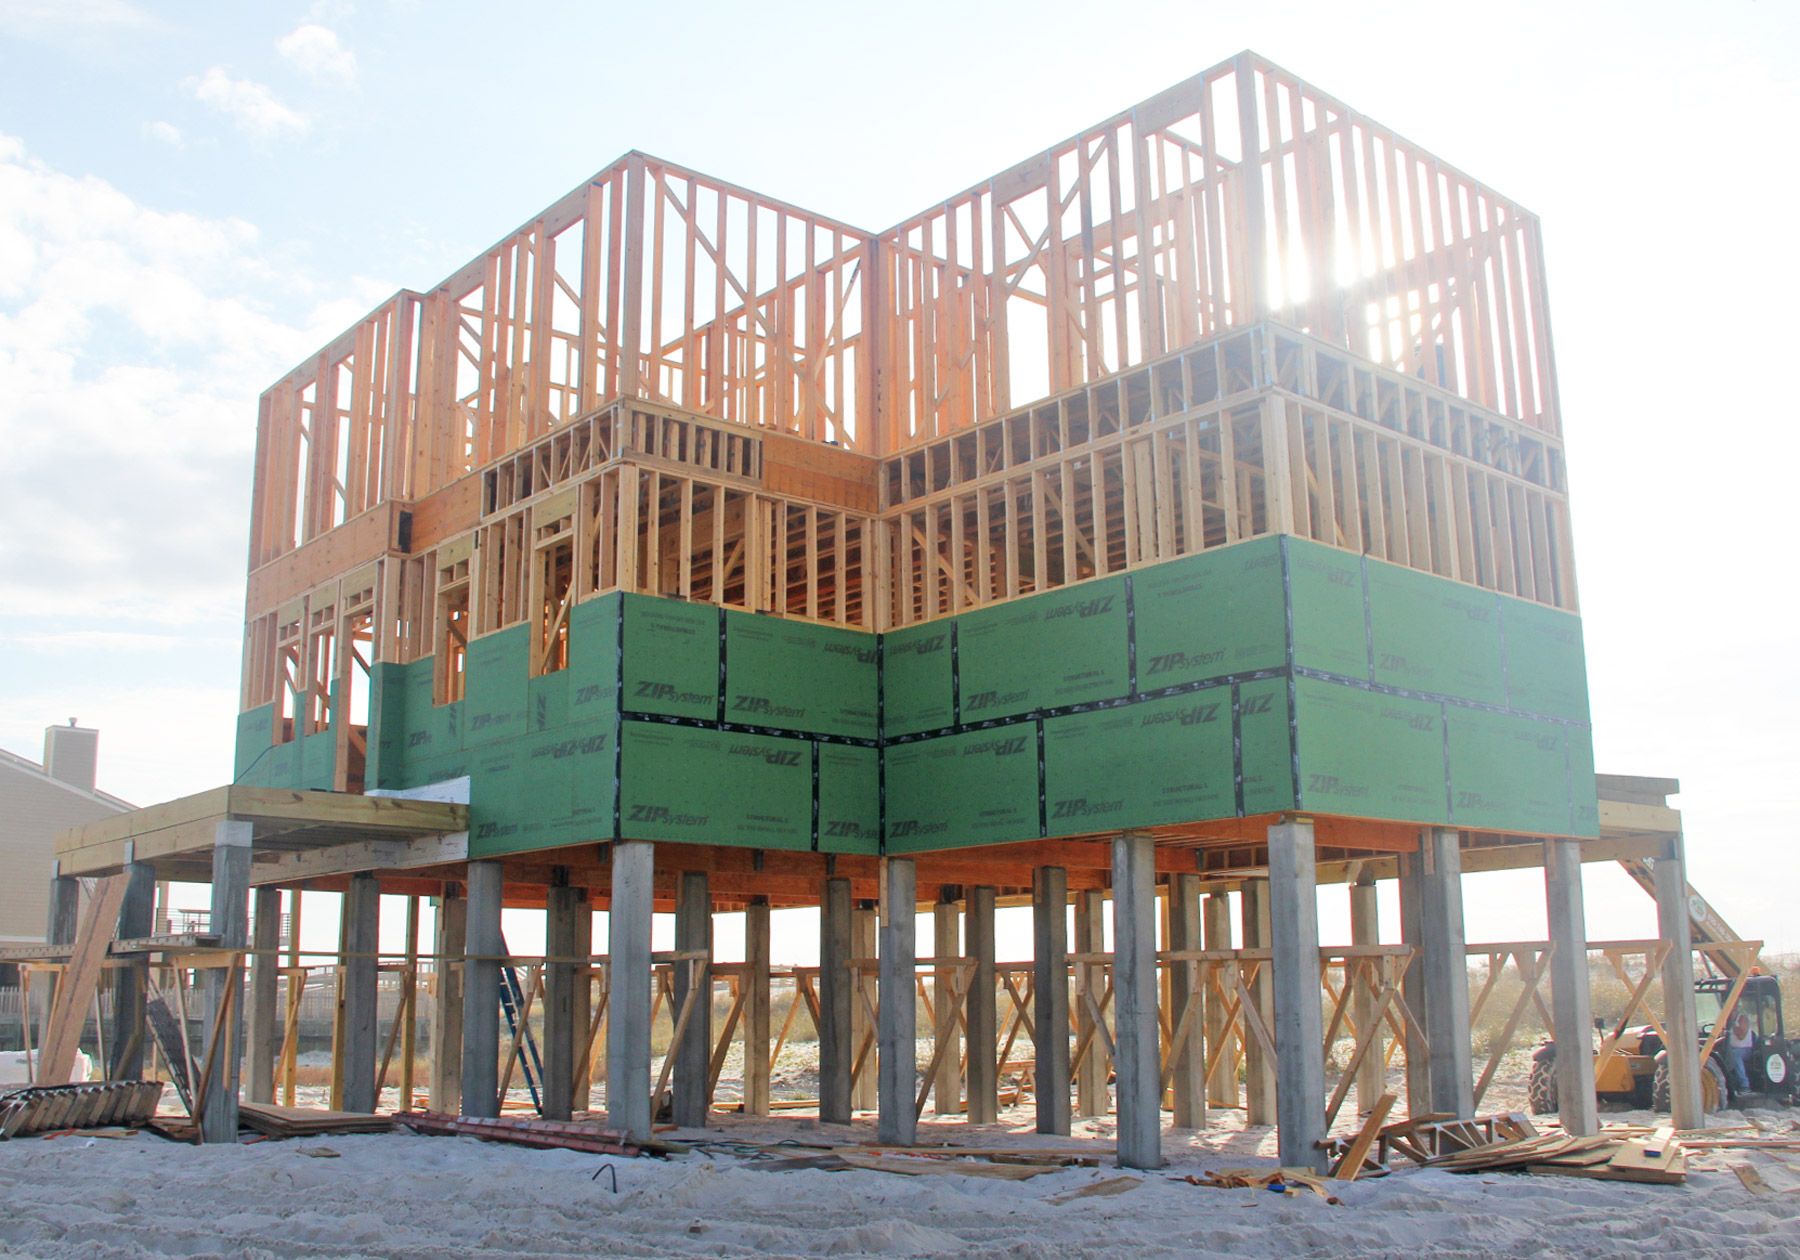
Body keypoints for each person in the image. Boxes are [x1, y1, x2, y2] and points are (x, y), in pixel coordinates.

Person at [1727, 1010, 1755, 1093]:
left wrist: (1731, 1025)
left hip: (1745, 1049)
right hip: (1731, 1048)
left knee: (1735, 1055)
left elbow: (1741, 1036)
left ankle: (1745, 1085)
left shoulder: (1742, 1018)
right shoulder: (1730, 1021)